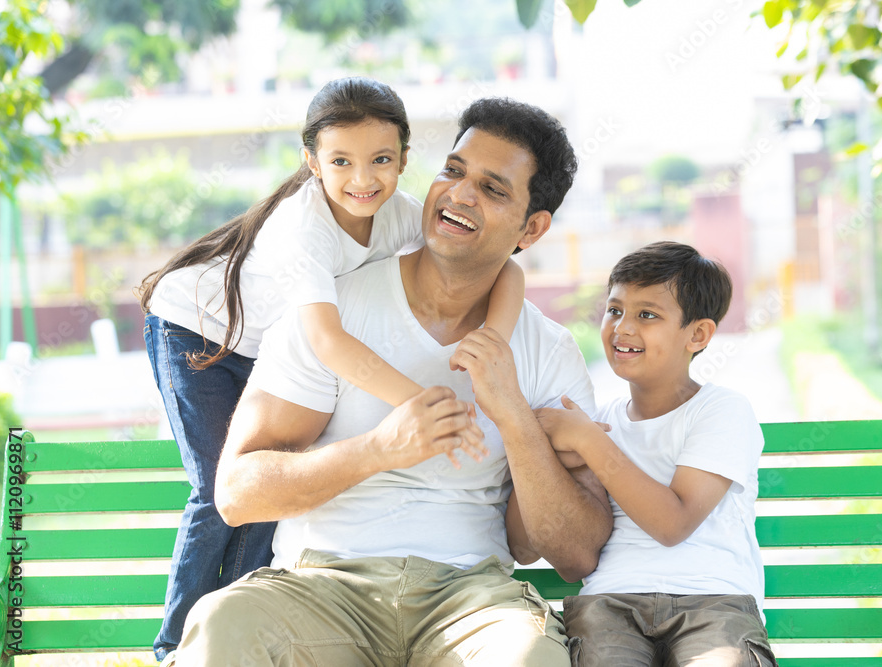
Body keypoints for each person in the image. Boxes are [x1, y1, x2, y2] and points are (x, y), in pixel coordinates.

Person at [170, 97, 613, 666]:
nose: (458, 194)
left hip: (470, 601)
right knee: (223, 625)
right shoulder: (332, 310)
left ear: (532, 228)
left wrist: (514, 416)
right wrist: (379, 449)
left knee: (529, 656)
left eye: (492, 189)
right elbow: (237, 494)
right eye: (453, 170)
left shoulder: (548, 352)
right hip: (321, 589)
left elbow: (576, 555)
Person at [528, 241, 777, 666]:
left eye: (647, 315)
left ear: (697, 335)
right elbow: (569, 550)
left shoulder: (721, 410)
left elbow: (672, 524)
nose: (623, 327)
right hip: (610, 602)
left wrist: (589, 443)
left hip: (713, 601)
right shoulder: (599, 421)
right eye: (615, 310)